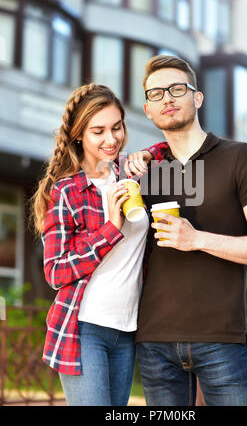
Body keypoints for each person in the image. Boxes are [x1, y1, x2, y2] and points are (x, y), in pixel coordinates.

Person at [134, 55, 247, 406]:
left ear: (197, 98)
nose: (167, 99)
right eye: (156, 94)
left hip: (221, 339)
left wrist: (196, 239)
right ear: (147, 109)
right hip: (154, 342)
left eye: (176, 89)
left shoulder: (240, 158)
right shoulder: (145, 170)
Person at [30, 83, 156, 406]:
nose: (111, 139)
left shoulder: (131, 173)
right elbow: (55, 271)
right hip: (84, 329)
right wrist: (111, 228)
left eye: (117, 127)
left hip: (126, 330)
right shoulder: (67, 191)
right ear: (78, 136)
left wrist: (147, 154)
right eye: (98, 131)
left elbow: (169, 152)